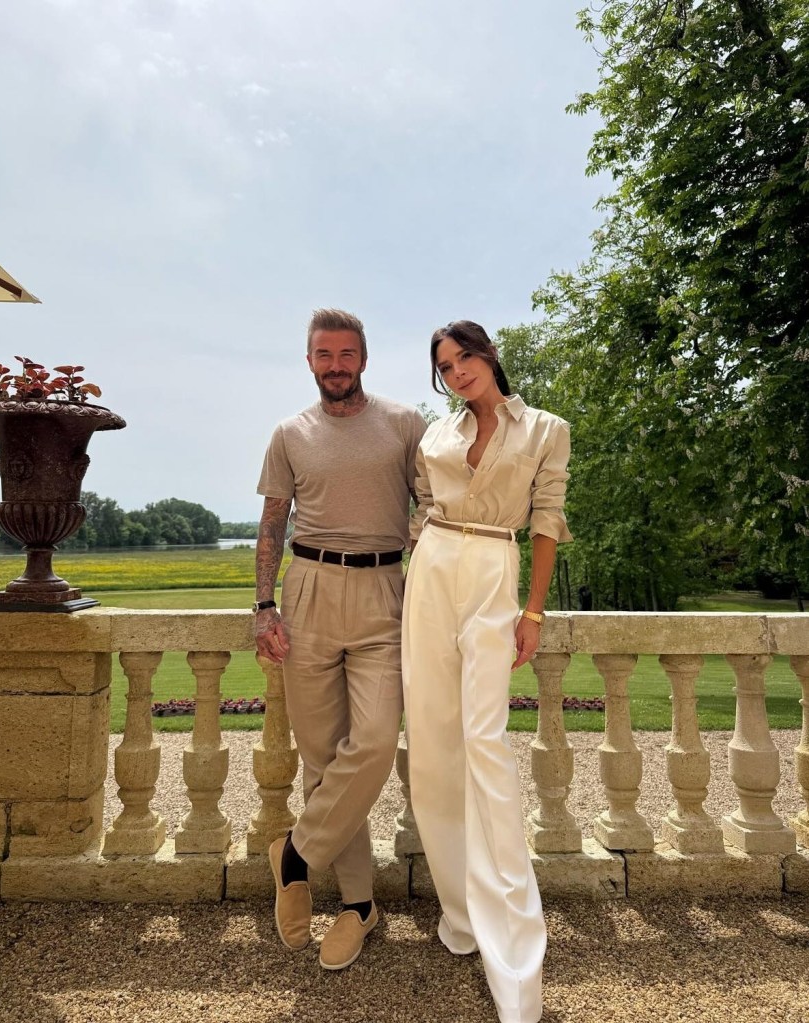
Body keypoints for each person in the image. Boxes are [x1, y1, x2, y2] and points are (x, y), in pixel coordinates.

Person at [402, 320, 572, 1023]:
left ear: (489, 354)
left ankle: (513, 948)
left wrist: (531, 611)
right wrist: (419, 566)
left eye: (465, 356)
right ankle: (461, 914)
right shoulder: (433, 437)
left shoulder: (544, 429)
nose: (457, 371)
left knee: (485, 744)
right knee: (435, 748)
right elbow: (419, 511)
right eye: (444, 365)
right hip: (434, 568)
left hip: (495, 569)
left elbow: (547, 519)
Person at [255, 308, 427, 971]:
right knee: (323, 759)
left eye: (345, 353)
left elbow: (437, 498)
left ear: (363, 358)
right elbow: (272, 521)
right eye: (323, 354)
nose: (334, 364)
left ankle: (295, 853)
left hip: (385, 591)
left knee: (377, 739)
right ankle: (358, 905)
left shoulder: (404, 424)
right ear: (309, 361)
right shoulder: (289, 433)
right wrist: (264, 605)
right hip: (308, 593)